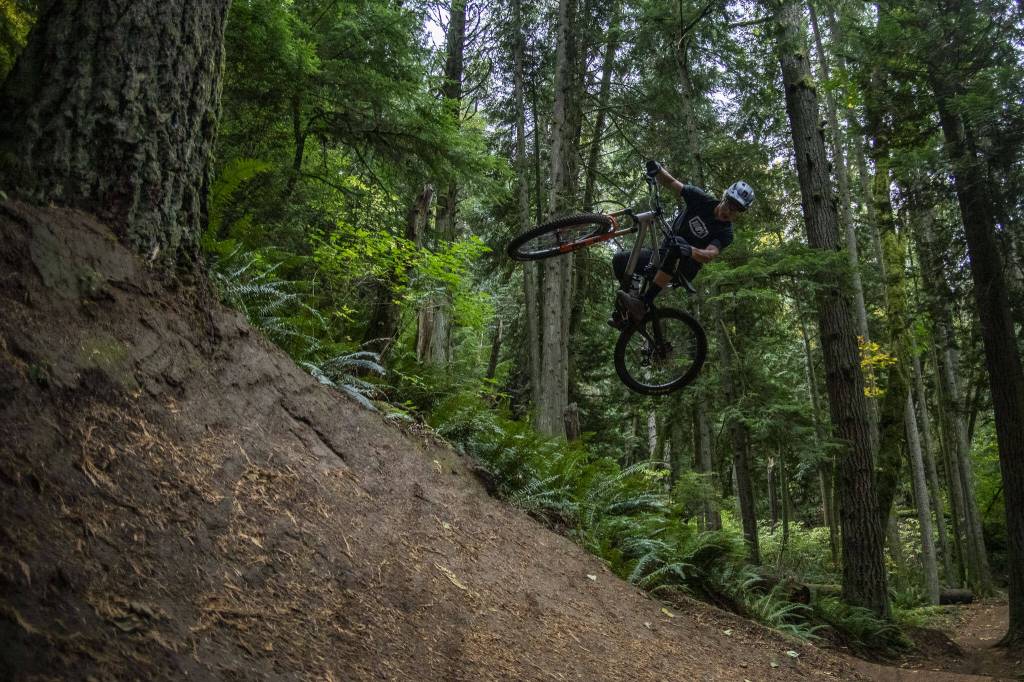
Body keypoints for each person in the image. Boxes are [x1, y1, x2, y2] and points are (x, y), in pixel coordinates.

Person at [612, 160, 754, 326]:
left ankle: (643, 303)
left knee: (677, 244)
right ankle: (628, 312)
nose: (729, 211)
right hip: (662, 255)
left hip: (685, 268)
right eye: (730, 204)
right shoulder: (701, 200)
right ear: (724, 197)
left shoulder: (726, 232)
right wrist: (657, 170)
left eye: (736, 209)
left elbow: (710, 254)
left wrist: (690, 250)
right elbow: (672, 182)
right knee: (620, 260)